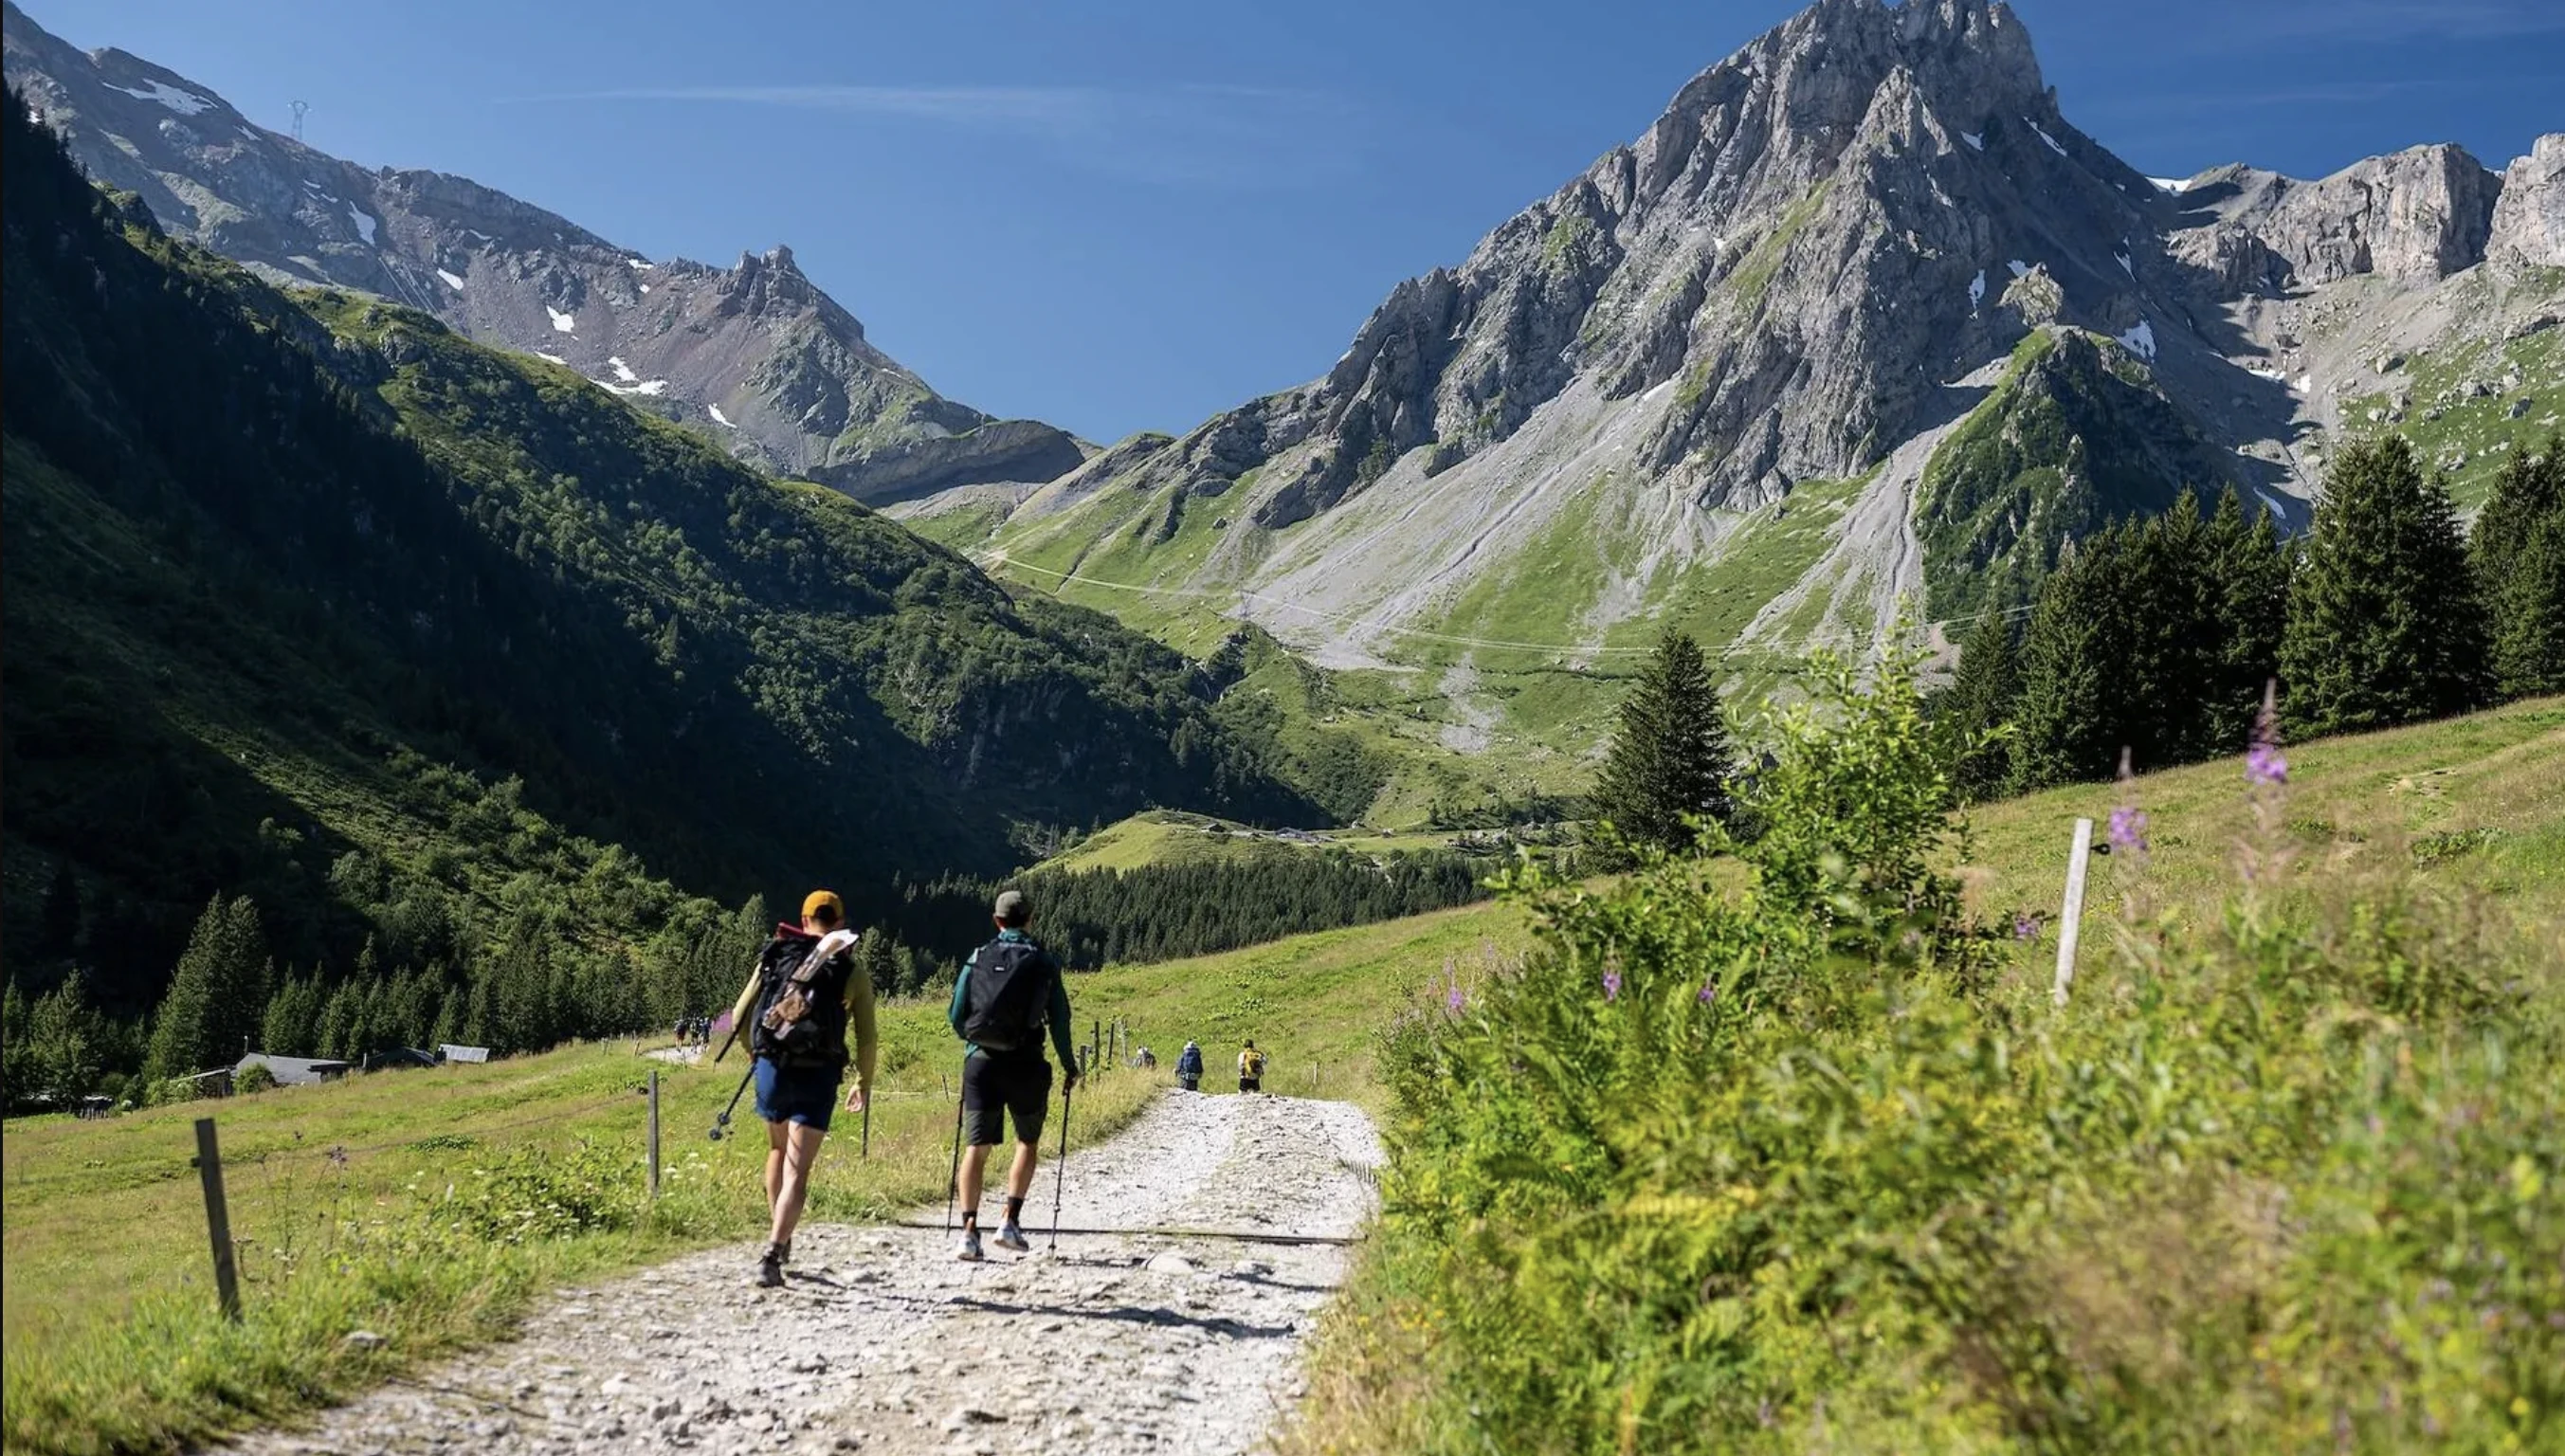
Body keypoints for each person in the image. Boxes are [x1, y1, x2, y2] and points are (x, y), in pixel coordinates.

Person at [724, 890, 878, 1288]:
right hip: (819, 1073)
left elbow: (741, 1015)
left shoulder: (777, 955)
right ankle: (773, 1251)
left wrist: (754, 1053)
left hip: (772, 1067)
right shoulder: (851, 972)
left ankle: (781, 1235)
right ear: (841, 923)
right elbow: (866, 1038)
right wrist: (863, 1081)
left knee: (777, 1151)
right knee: (799, 1169)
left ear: (803, 919)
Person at [948, 889, 1078, 1262]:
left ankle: (969, 1233)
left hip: (981, 1064)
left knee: (976, 1148)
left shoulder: (977, 957)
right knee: (1027, 1142)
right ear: (1030, 919)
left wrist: (975, 1042)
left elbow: (957, 1015)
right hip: (1026, 1064)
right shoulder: (1044, 962)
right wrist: (1070, 1066)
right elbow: (1061, 1021)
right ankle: (1009, 1220)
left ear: (997, 920)